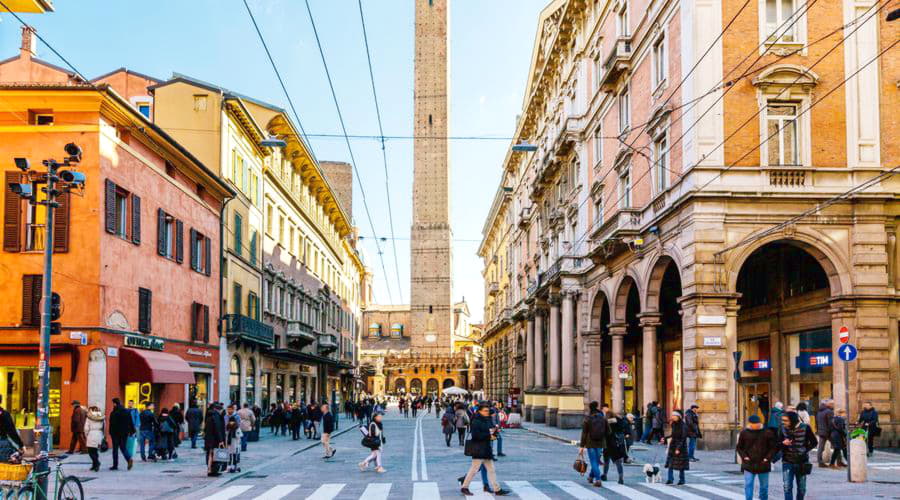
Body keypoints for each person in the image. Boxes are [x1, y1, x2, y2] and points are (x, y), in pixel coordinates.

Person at [460, 403, 510, 496]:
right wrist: (489, 435)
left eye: (488, 411)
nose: (487, 412)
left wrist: (494, 433)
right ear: (480, 411)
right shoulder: (476, 421)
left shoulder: (487, 419)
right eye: (485, 411)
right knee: (474, 469)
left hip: (486, 448)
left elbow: (490, 431)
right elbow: (476, 436)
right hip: (478, 448)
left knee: (491, 470)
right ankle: (464, 487)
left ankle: (497, 489)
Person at [736, 414, 778, 500]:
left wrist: (767, 458)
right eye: (755, 424)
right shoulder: (744, 433)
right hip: (749, 464)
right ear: (750, 424)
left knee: (764, 487)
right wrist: (744, 457)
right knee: (748, 484)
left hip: (763, 463)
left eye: (758, 423)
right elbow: (739, 447)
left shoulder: (767, 432)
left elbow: (773, 448)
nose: (757, 425)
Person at [779, 411, 817, 500]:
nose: (783, 422)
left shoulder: (805, 427)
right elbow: (777, 443)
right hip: (787, 461)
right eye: (783, 420)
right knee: (787, 487)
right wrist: (783, 443)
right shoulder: (782, 428)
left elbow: (814, 442)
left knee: (802, 488)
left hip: (802, 462)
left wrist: (804, 450)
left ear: (792, 420)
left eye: (786, 420)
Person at [579, 401, 606, 488]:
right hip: (600, 443)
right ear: (597, 406)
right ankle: (591, 476)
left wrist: (581, 446)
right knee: (596, 461)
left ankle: (598, 480)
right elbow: (608, 431)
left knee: (594, 461)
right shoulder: (603, 418)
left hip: (590, 443)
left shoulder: (588, 418)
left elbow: (584, 433)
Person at [108, 398, 135, 471]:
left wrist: (110, 432)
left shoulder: (114, 413)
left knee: (115, 449)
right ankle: (129, 459)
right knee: (123, 447)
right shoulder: (126, 411)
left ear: (115, 404)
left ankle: (115, 465)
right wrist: (132, 431)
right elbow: (131, 422)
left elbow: (112, 423)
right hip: (124, 433)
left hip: (115, 433)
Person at [602, 412, 627, 485]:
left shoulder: (606, 422)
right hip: (616, 444)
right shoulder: (617, 421)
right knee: (618, 462)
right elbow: (623, 425)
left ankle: (605, 475)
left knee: (606, 461)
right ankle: (620, 477)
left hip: (607, 444)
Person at [665, 410, 689, 485]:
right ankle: (670, 479)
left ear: (678, 417)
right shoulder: (674, 424)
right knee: (670, 463)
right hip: (673, 446)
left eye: (674, 416)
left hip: (681, 447)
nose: (672, 417)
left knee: (680, 465)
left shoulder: (683, 426)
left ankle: (682, 480)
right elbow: (673, 435)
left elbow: (683, 438)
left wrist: (678, 448)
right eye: (672, 416)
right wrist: (665, 438)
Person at [204, 403, 226, 477]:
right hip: (214, 439)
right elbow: (218, 429)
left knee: (210, 454)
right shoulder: (216, 416)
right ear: (218, 410)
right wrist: (221, 440)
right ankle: (212, 470)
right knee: (213, 455)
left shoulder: (209, 415)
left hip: (209, 438)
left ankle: (210, 470)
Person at [0, 396, 23, 462]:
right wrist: (21, 445)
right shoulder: (5, 414)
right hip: (2, 443)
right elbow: (12, 431)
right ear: (1, 401)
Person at [84, 405, 105, 472]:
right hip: (99, 433)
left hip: (91, 434)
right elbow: (104, 427)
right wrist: (103, 435)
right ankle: (94, 465)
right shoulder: (101, 417)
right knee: (95, 451)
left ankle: (97, 463)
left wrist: (86, 435)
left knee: (90, 451)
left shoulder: (89, 418)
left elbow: (86, 428)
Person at [815, 399, 834, 467]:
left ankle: (820, 462)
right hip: (828, 431)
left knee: (820, 447)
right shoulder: (829, 411)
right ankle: (836, 461)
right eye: (831, 403)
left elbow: (817, 422)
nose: (833, 405)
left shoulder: (819, 411)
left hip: (821, 431)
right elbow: (830, 423)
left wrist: (818, 430)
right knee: (837, 446)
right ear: (827, 404)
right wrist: (832, 431)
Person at [225, 407, 242, 473]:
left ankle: (229, 466)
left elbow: (225, 434)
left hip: (228, 443)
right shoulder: (236, 427)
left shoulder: (227, 427)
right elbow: (239, 436)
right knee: (235, 455)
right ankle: (234, 466)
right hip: (235, 444)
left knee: (229, 455)